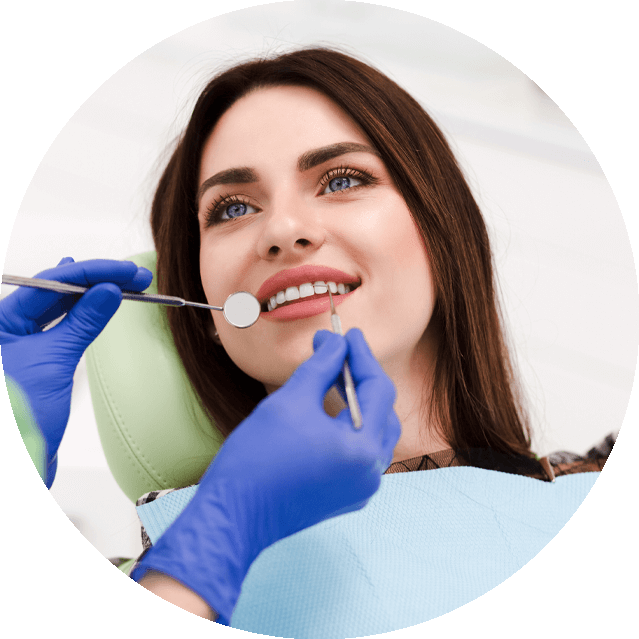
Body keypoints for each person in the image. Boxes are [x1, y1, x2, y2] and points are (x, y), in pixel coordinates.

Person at [2, 46, 612, 626]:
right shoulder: (173, 565)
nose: (284, 229)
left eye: (342, 179)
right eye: (232, 208)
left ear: (442, 234)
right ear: (209, 321)